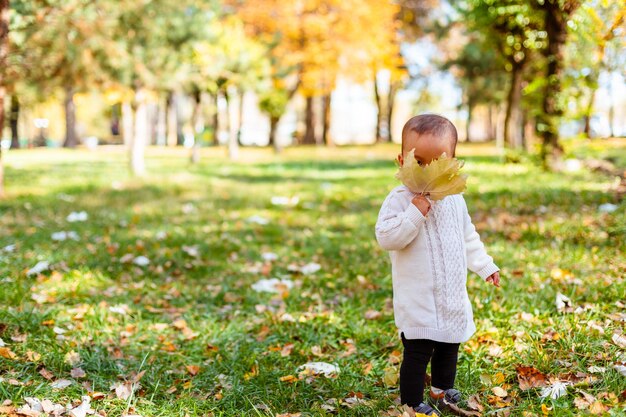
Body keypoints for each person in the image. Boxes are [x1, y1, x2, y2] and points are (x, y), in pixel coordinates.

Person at [375, 114, 501, 416]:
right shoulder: (399, 199)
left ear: (452, 163)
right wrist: (413, 214)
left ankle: (442, 388)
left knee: (449, 346)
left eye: (437, 164)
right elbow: (387, 237)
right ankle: (412, 401)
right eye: (418, 162)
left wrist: (485, 265)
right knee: (418, 352)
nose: (427, 173)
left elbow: (468, 236)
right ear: (401, 159)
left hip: (451, 294)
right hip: (417, 298)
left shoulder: (454, 201)